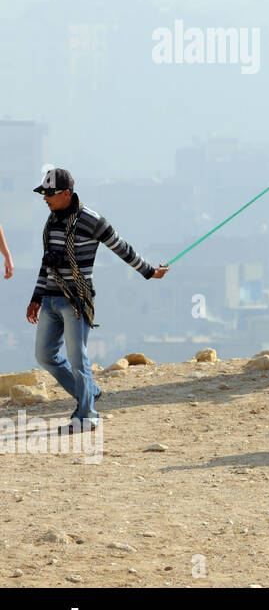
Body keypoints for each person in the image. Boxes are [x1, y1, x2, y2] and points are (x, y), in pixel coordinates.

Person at [25, 168, 168, 432]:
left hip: (76, 301)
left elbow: (121, 247)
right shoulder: (52, 220)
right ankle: (89, 391)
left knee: (77, 357)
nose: (45, 199)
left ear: (66, 194)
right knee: (45, 356)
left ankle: (87, 415)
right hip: (50, 300)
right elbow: (48, 262)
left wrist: (149, 271)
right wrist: (36, 296)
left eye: (50, 194)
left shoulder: (92, 220)